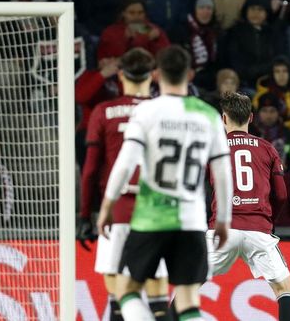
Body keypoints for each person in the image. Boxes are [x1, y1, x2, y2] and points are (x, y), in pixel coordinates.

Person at [96, 45, 233, 321]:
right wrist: (223, 220)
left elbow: (125, 163)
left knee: (127, 290)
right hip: (192, 221)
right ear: (190, 74)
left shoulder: (148, 111)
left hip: (151, 218)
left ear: (157, 74)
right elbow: (222, 172)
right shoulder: (208, 115)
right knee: (188, 303)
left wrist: (107, 205)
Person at [78, 48, 170, 321]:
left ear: (120, 75)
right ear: (152, 76)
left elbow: (91, 170)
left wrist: (86, 215)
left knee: (119, 295)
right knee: (157, 297)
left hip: (118, 211)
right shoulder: (165, 112)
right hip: (157, 211)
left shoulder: (104, 112)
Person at [205, 91, 290, 320]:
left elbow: (202, 189)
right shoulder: (267, 148)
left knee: (188, 284)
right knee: (283, 289)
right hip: (259, 228)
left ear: (224, 118)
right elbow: (282, 195)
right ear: (251, 117)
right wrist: (269, 222)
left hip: (222, 228)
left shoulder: (213, 147)